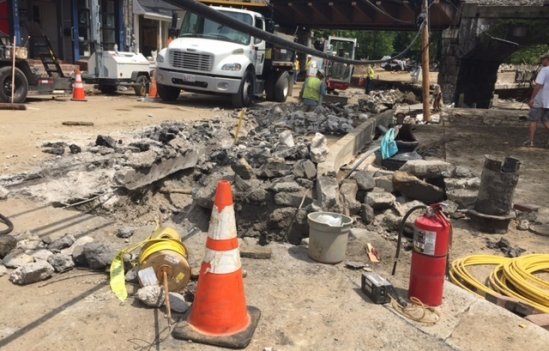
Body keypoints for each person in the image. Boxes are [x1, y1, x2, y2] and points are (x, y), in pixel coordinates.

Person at [525, 52, 549, 147]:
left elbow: (538, 85)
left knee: (533, 120)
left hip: (540, 98)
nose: (542, 61)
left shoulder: (544, 70)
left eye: (543, 59)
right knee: (546, 120)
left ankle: (531, 141)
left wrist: (532, 98)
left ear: (547, 59)